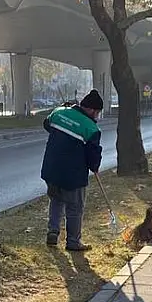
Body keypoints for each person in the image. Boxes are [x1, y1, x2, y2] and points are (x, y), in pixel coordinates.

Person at [40, 89, 104, 252]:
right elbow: (93, 155)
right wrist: (95, 166)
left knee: (55, 199)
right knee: (75, 207)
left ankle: (53, 231)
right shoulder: (91, 128)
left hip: (51, 168)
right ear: (91, 110)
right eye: (97, 113)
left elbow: (47, 125)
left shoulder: (59, 112)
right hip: (73, 174)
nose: (97, 116)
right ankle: (73, 242)